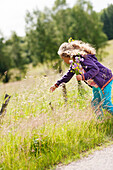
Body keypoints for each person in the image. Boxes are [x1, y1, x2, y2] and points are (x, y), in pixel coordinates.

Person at [50, 38, 113, 119]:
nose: (63, 61)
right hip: (96, 84)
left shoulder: (83, 58)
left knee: (106, 104)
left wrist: (83, 77)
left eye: (63, 58)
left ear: (67, 55)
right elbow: (68, 76)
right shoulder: (74, 64)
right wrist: (56, 84)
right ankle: (101, 121)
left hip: (104, 81)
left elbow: (95, 69)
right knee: (95, 104)